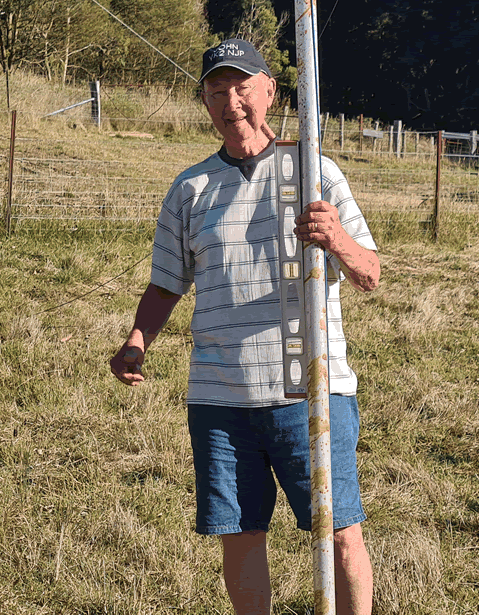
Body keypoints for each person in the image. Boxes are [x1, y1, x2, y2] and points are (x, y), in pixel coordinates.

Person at [109, 38, 379, 615]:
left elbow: (370, 273)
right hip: (220, 400)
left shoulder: (315, 173)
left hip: (310, 392)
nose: (230, 102)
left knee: (338, 530)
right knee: (240, 534)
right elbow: (166, 282)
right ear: (205, 102)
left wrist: (336, 239)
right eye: (216, 91)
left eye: (241, 87)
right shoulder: (190, 189)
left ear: (270, 92)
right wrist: (137, 339)